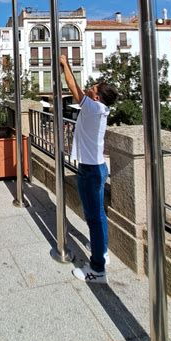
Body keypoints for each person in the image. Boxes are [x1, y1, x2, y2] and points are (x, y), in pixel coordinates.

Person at [60, 54, 118, 283]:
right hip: (97, 168)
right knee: (98, 216)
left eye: (92, 88)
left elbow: (73, 88)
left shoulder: (93, 109)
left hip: (91, 171)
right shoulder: (100, 109)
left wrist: (64, 64)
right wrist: (68, 65)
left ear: (97, 96)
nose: (87, 89)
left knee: (93, 218)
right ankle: (102, 252)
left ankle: (97, 270)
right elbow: (79, 87)